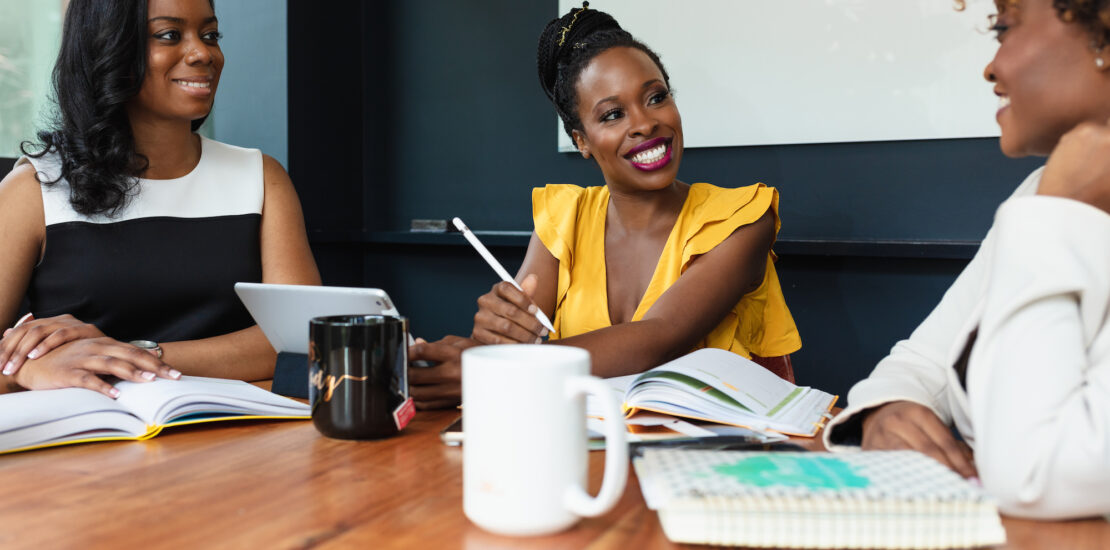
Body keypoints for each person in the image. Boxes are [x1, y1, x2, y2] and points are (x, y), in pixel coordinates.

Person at [409, 3, 801, 408]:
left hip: (724, 454)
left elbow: (657, 338)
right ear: (582, 140)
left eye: (656, 97)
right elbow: (515, 339)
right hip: (593, 450)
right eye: (613, 114)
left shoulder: (742, 218)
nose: (645, 123)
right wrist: (499, 332)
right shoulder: (564, 219)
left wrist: (494, 370)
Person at [823, 0, 1110, 520]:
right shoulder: (1036, 196)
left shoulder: (1050, 205)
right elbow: (922, 362)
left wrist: (1061, 210)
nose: (991, 67)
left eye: (1004, 28)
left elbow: (1036, 478)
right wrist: (889, 409)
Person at [0, 0, 320, 399]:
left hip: (236, 435)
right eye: (169, 35)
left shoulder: (261, 178)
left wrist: (131, 354)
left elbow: (301, 338)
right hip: (87, 447)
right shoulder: (35, 188)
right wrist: (27, 371)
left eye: (210, 35)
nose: (203, 53)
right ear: (108, 47)